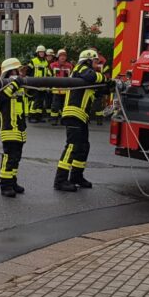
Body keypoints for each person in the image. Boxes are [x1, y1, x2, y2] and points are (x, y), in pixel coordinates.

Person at [54, 48, 107, 192]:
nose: (97, 64)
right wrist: (104, 79)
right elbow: (92, 77)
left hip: (81, 116)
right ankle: (60, 180)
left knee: (83, 146)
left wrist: (107, 87)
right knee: (71, 147)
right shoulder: (81, 68)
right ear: (88, 60)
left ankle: (76, 177)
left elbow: (94, 91)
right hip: (73, 114)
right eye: (96, 61)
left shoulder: (86, 75)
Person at [0, 57, 27, 197]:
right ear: (8, 72)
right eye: (15, 70)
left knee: (16, 157)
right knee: (9, 157)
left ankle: (12, 181)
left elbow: (29, 96)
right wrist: (15, 84)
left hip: (19, 129)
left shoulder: (18, 87)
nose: (18, 73)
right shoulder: (1, 87)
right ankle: (5, 185)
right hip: (9, 129)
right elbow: (1, 98)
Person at [49, 48, 72, 126]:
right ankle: (54, 120)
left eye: (64, 56)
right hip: (56, 89)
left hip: (66, 90)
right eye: (61, 56)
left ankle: (64, 120)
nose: (63, 57)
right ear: (58, 57)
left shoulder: (70, 66)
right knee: (55, 105)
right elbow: (49, 76)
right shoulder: (52, 65)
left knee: (65, 106)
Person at [28, 45, 50, 122]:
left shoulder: (46, 62)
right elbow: (29, 71)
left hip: (43, 84)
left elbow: (47, 72)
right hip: (35, 84)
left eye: (43, 52)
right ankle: (31, 116)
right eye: (40, 52)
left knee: (41, 101)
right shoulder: (33, 61)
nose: (41, 53)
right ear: (37, 53)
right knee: (35, 100)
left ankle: (38, 117)